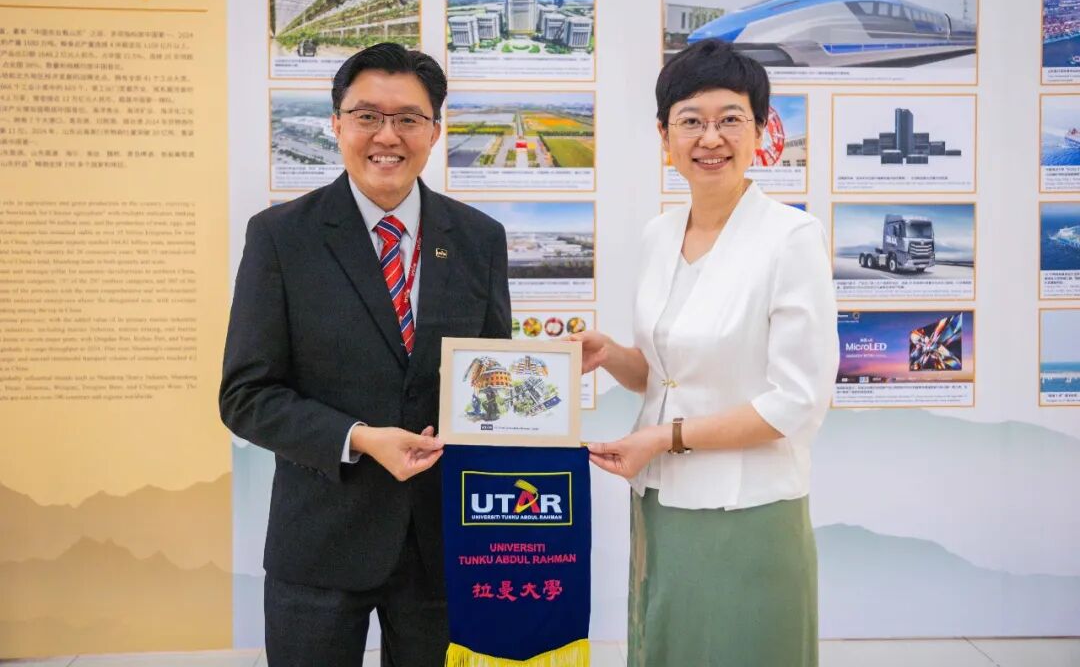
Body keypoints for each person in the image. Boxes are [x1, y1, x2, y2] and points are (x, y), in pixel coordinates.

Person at [219, 43, 512, 666]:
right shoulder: (281, 237)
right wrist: (358, 438)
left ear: (435, 130)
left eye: (408, 118)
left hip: (440, 544)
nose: (387, 136)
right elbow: (246, 396)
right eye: (367, 116)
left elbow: (489, 385)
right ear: (336, 124)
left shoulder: (479, 239)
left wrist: (539, 390)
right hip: (320, 540)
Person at [572, 39, 838, 666]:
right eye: (690, 120)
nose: (710, 138)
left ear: (761, 132)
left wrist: (665, 439)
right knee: (665, 647)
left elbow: (797, 402)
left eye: (730, 119)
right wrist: (611, 353)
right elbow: (666, 376)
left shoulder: (792, 238)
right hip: (659, 497)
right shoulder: (660, 234)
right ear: (664, 135)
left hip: (749, 503)